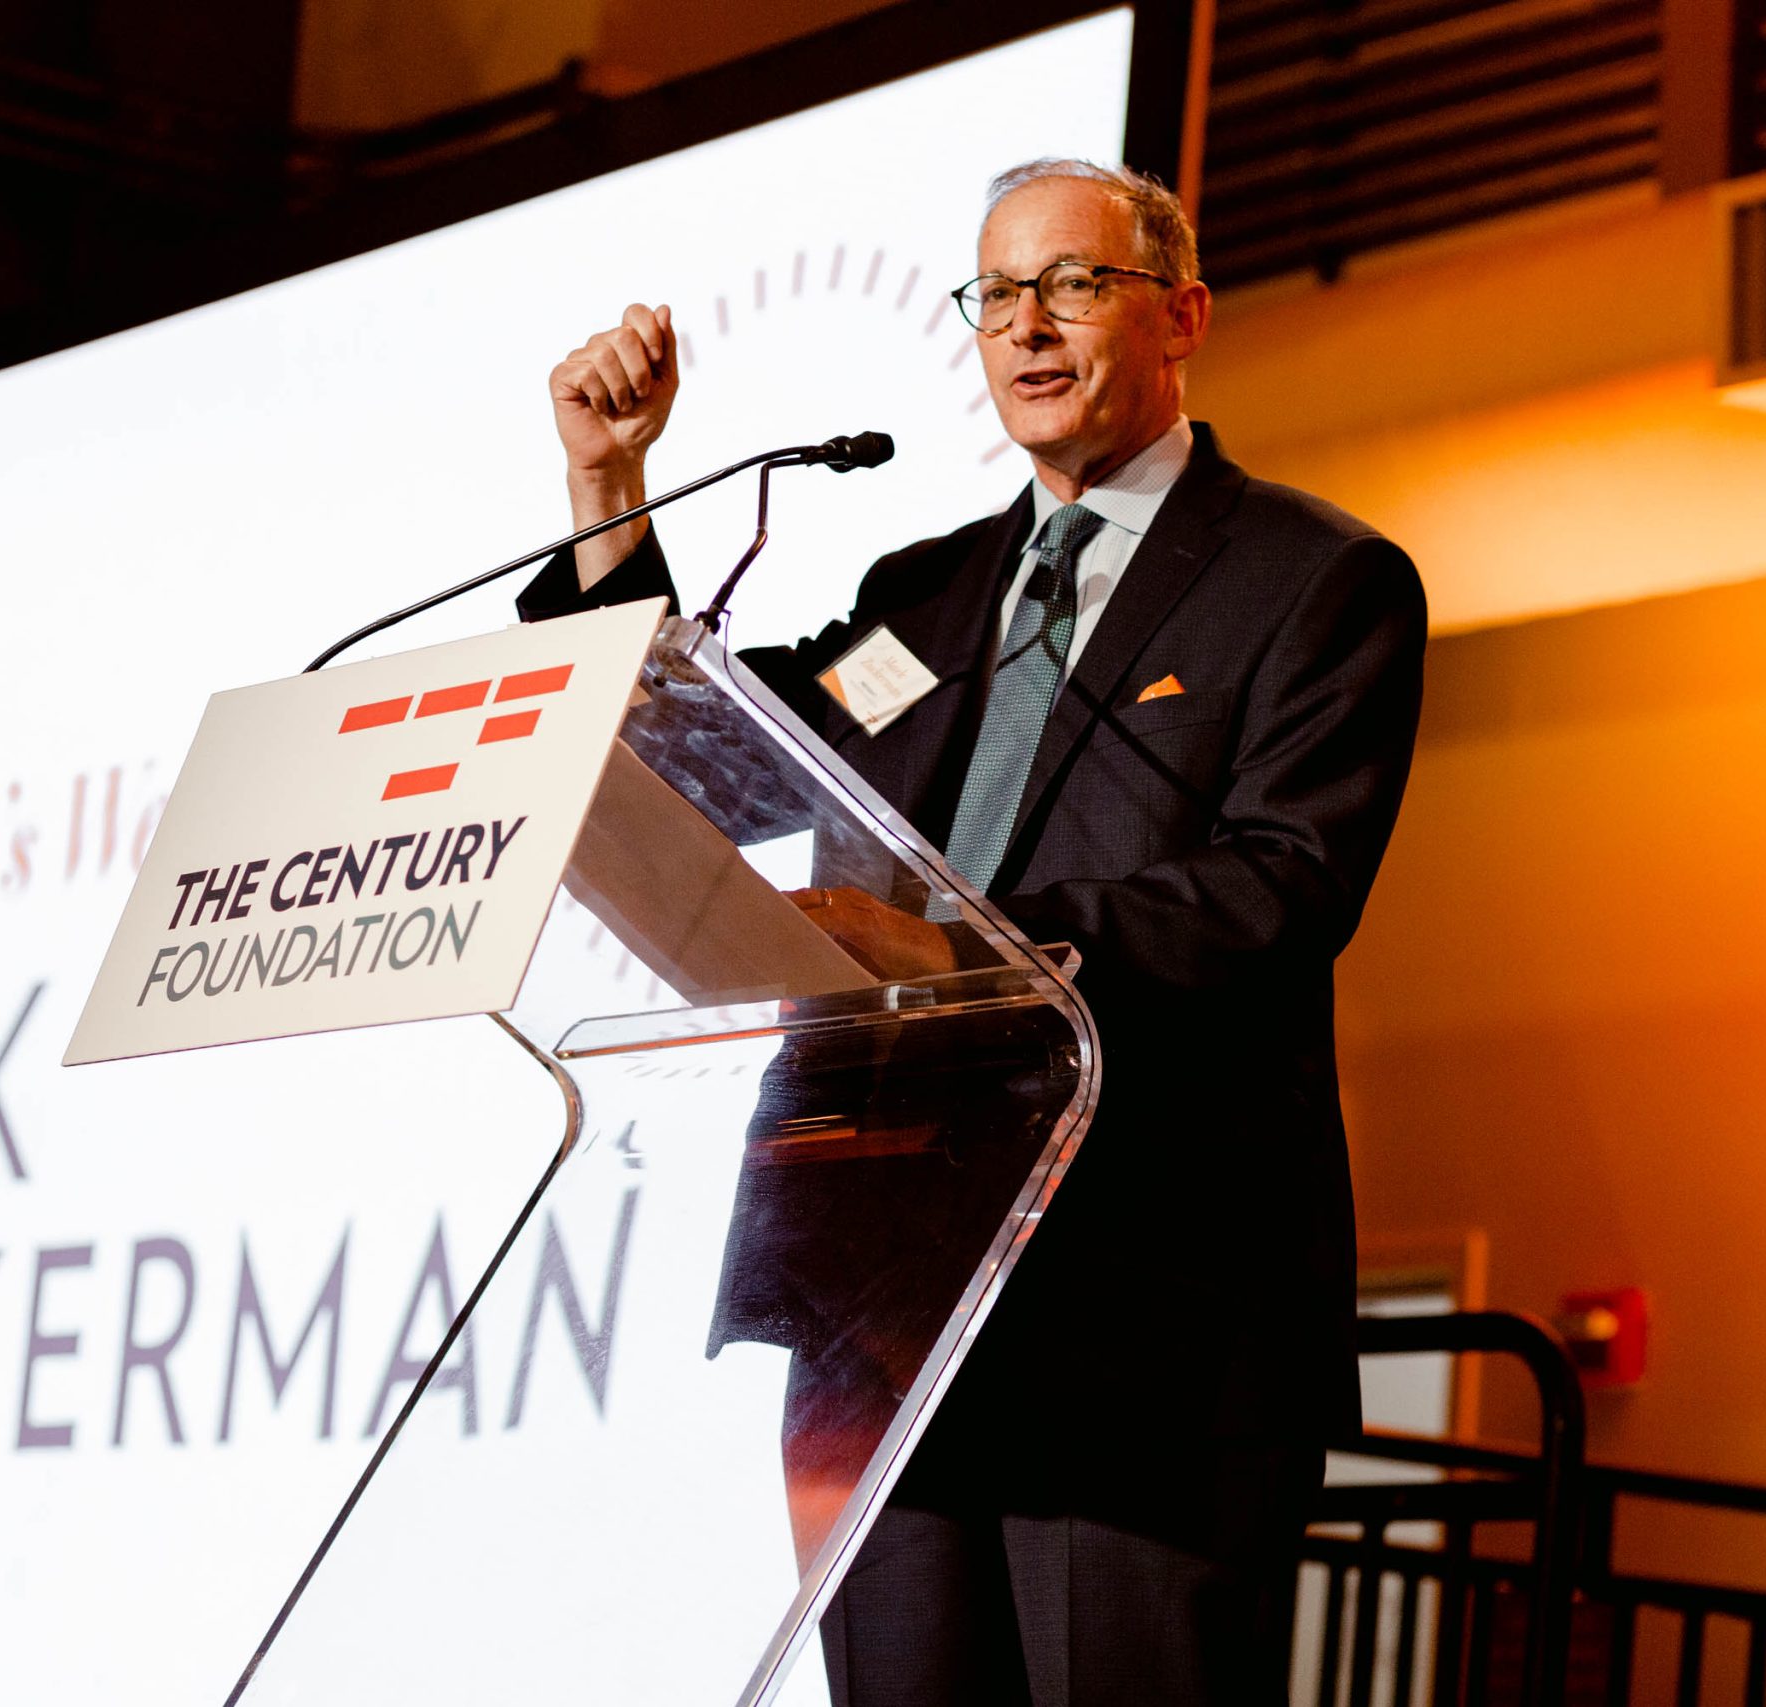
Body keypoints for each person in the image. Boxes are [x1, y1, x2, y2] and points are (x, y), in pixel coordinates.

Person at [518, 159, 1426, 1704]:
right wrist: (611, 496)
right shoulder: (924, 599)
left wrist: (960, 950)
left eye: (1074, 285)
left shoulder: (1313, 583)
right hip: (888, 1293)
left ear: (1182, 314)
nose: (1028, 328)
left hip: (1148, 1305)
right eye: (997, 295)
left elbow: (1278, 889)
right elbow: (704, 773)